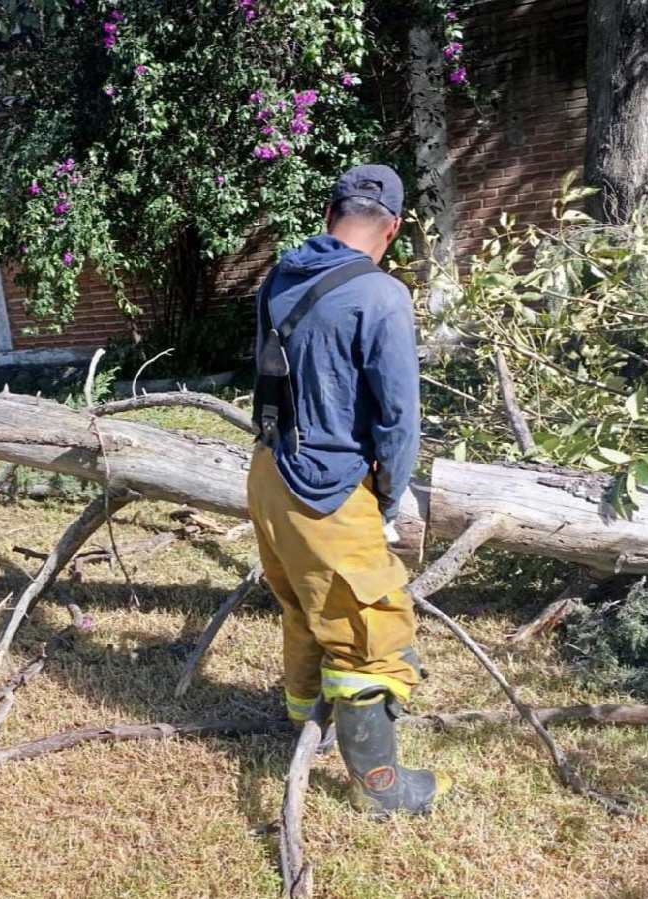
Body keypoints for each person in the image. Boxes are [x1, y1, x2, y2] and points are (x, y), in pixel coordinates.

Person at [247, 163, 452, 817]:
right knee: (371, 631)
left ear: (332, 212)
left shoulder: (279, 275)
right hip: (328, 489)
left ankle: (306, 720)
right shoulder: (382, 296)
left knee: (306, 608)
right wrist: (387, 500)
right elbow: (397, 421)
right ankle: (381, 789)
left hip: (268, 472)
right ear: (390, 228)